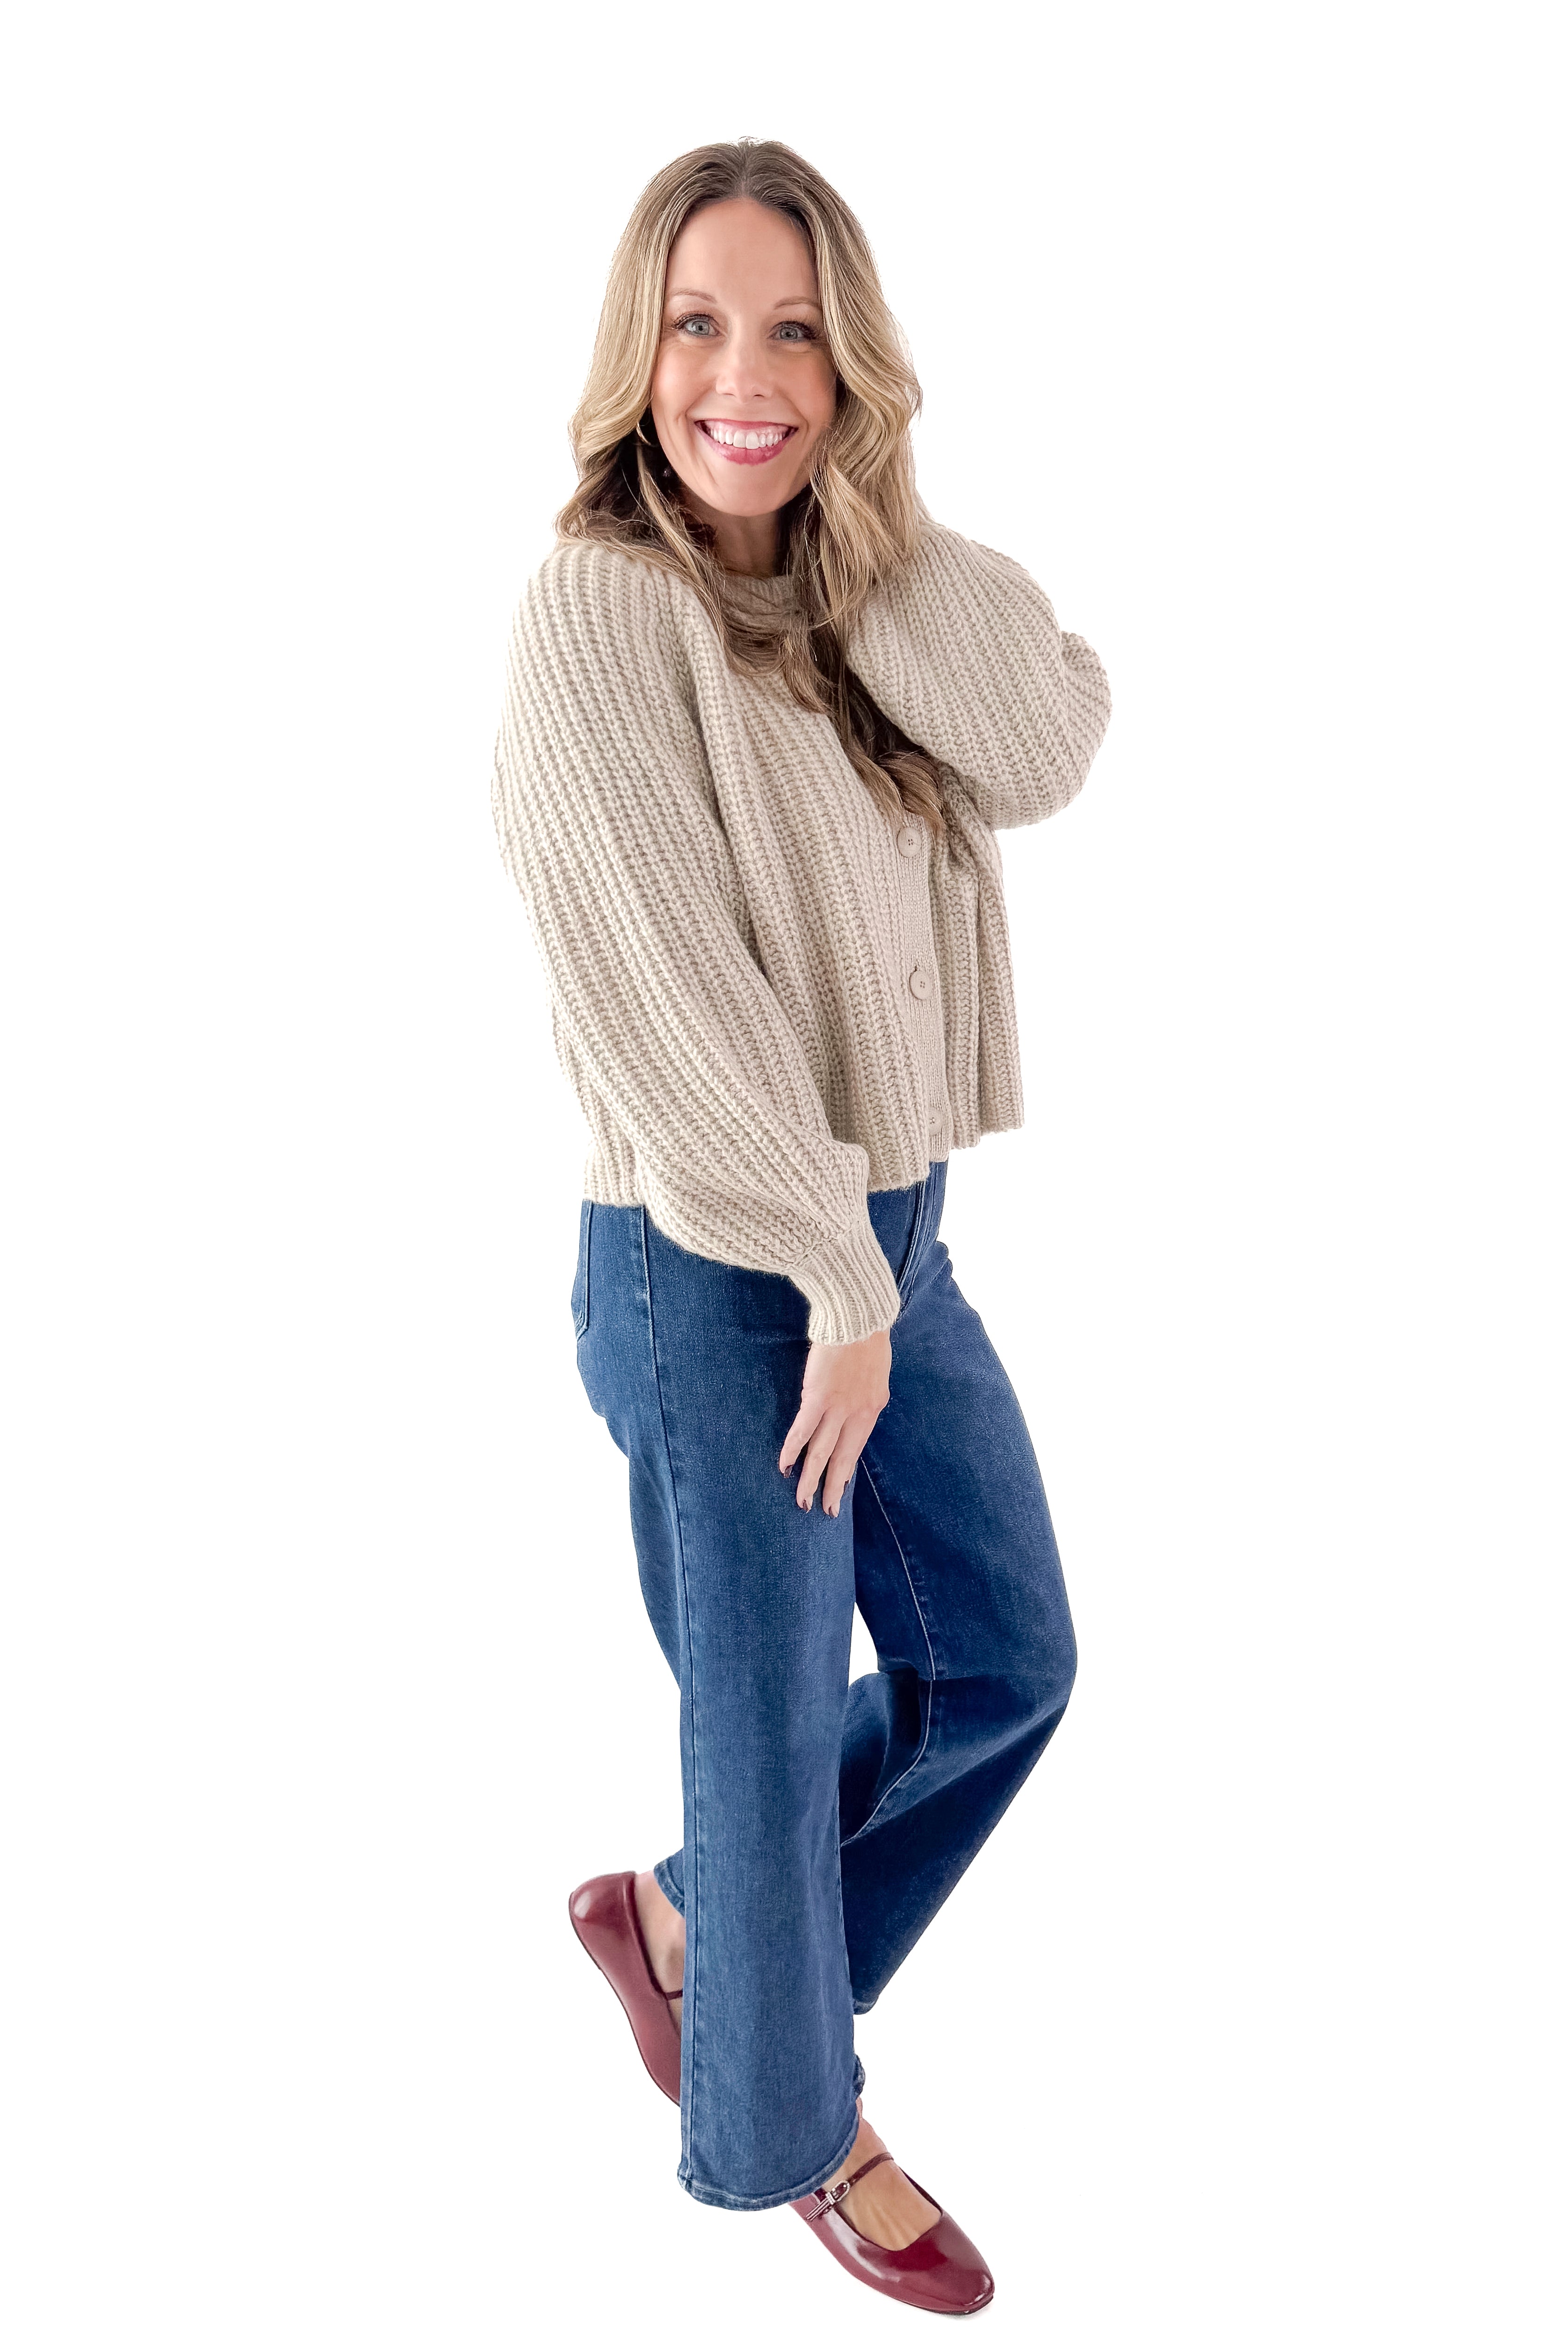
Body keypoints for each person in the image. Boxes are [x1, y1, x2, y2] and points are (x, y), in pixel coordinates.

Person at [491, 138, 1110, 2316]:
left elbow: (1043, 735)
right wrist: (831, 1278)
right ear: (630, 354)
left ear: (847, 363)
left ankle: (687, 1924)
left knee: (1003, 1660)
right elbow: (667, 1002)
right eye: (693, 325)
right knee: (763, 1738)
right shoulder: (599, 614)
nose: (736, 377)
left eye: (789, 332)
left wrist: (873, 514)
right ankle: (784, 2127)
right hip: (717, 1253)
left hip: (881, 1239)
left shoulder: (845, 598)